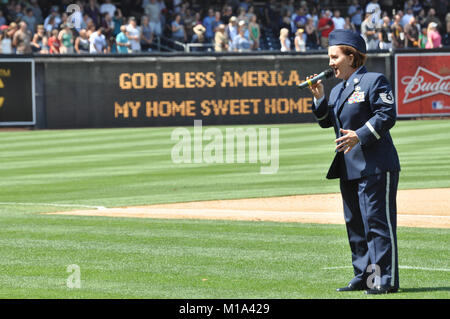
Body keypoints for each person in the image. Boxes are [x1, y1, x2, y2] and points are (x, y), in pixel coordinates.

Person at [305, 29, 400, 295]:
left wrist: (359, 135)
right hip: (348, 167)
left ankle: (383, 279)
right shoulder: (337, 91)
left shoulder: (374, 80)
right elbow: (326, 122)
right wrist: (319, 96)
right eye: (330, 57)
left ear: (351, 55)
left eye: (334, 57)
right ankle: (363, 275)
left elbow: (387, 115)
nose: (330, 63)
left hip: (376, 165)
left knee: (377, 224)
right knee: (356, 226)